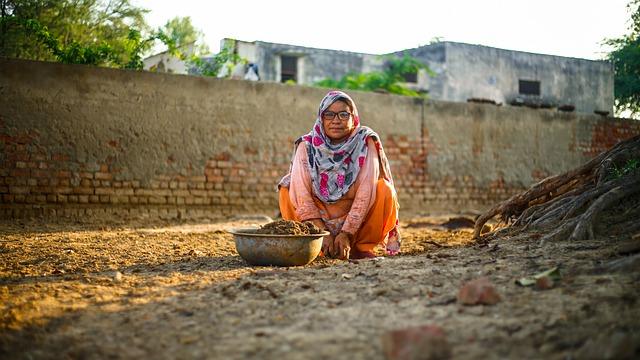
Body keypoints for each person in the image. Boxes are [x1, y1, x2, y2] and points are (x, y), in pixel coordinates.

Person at [278, 90, 401, 260]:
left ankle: (361, 248)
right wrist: (322, 233)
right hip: (315, 223)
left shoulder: (365, 141)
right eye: (329, 114)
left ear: (353, 117)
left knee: (384, 189)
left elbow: (366, 191)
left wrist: (346, 233)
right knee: (288, 187)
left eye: (344, 114)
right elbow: (302, 193)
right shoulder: (307, 145)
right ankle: (310, 246)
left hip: (356, 222)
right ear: (321, 118)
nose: (336, 120)